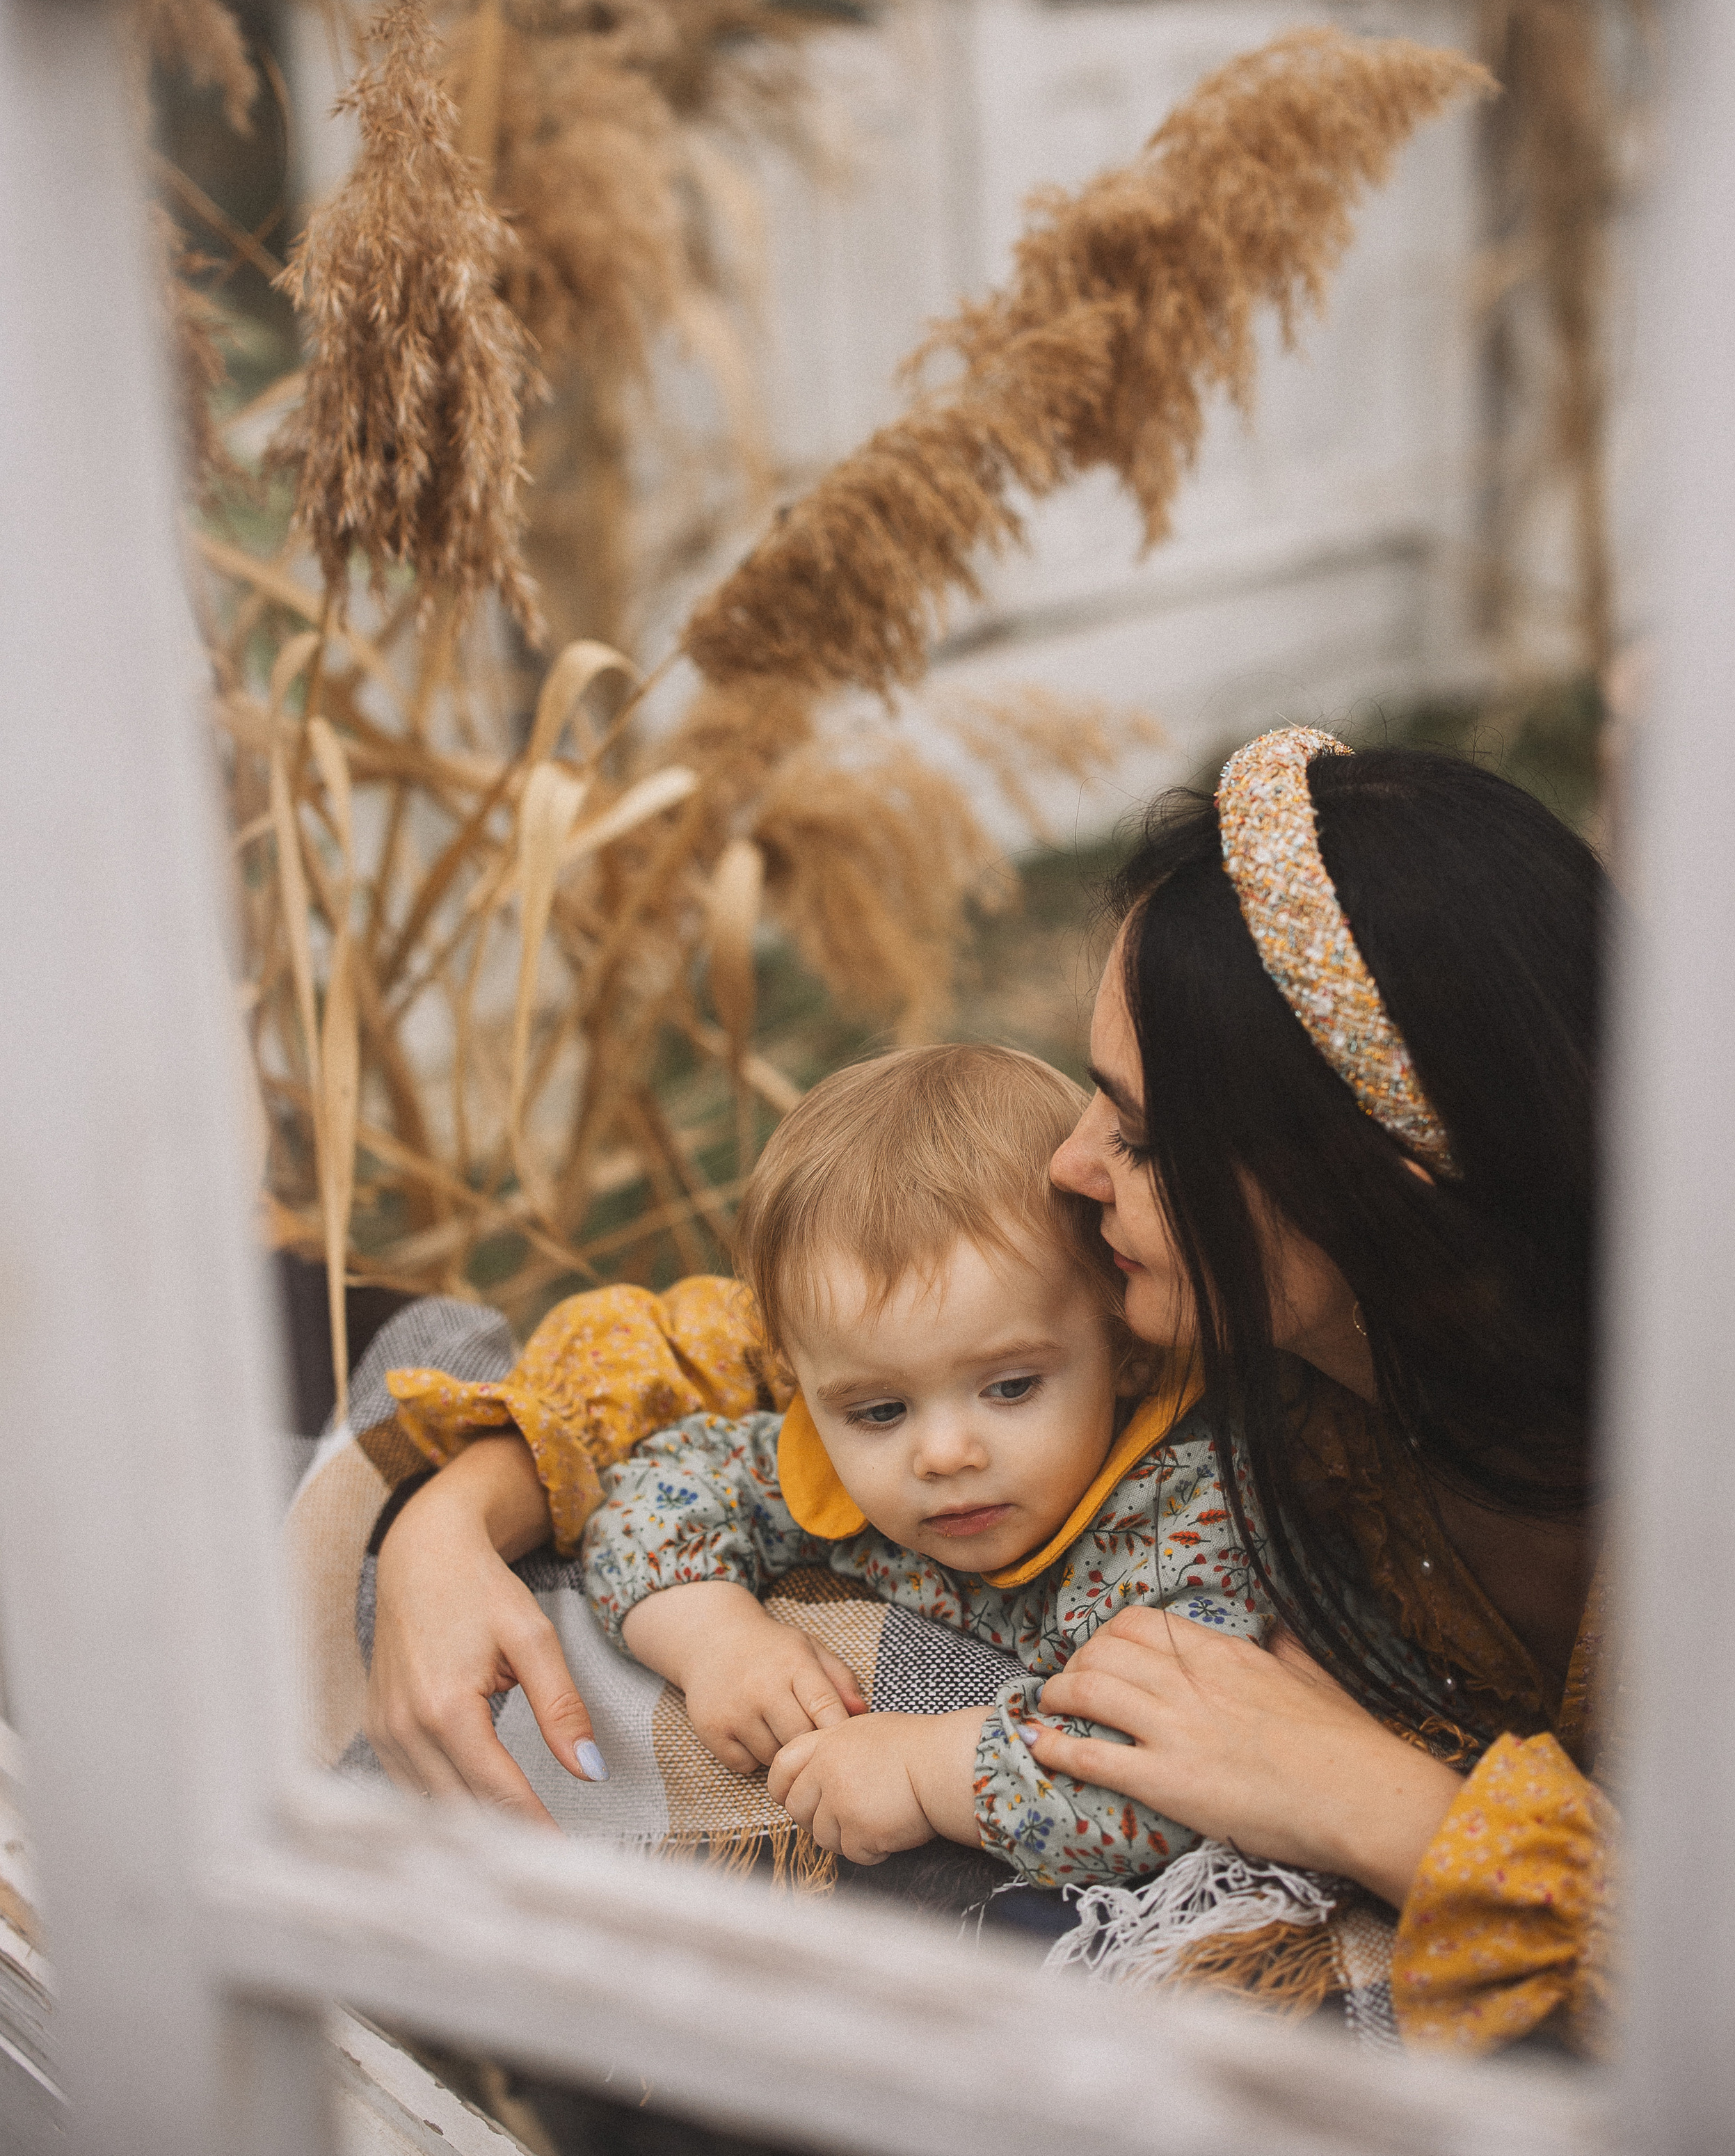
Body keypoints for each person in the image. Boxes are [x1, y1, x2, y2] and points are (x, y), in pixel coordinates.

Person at [368, 726, 1611, 2056]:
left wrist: (1373, 1801)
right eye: (1092, 1095)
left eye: (1140, 1135)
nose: (1074, 1169)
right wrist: (451, 1529)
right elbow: (765, 1350)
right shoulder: (1221, 1326)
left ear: (1369, 1194)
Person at [582, 1041, 1311, 1883]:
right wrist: (714, 1639)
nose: (943, 1454)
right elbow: (654, 1497)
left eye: (1008, 1388)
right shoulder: (832, 1472)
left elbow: (1161, 1777)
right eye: (880, 1410)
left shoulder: (1185, 1520)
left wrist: (927, 1770)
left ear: (1127, 1351)